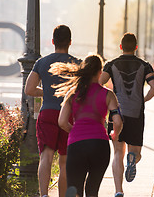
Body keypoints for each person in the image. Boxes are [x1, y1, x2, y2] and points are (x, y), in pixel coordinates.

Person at [50, 54, 123, 197]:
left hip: (76, 145)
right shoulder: (108, 95)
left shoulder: (72, 93)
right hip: (100, 145)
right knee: (92, 190)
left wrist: (75, 131)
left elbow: (62, 122)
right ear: (100, 72)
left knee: (75, 191)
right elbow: (118, 121)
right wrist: (115, 133)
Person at [99, 32, 154, 197]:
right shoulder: (144, 65)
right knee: (136, 152)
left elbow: (98, 83)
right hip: (136, 114)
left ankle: (118, 190)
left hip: (116, 113)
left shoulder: (111, 65)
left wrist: (108, 100)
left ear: (121, 47)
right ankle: (132, 159)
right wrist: (143, 100)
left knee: (118, 152)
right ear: (136, 47)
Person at [25, 25, 81, 197]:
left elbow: (29, 89)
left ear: (52, 41)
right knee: (64, 161)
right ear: (70, 42)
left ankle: (43, 195)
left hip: (47, 112)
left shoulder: (41, 62)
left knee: (46, 156)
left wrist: (47, 92)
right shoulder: (78, 64)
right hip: (68, 115)